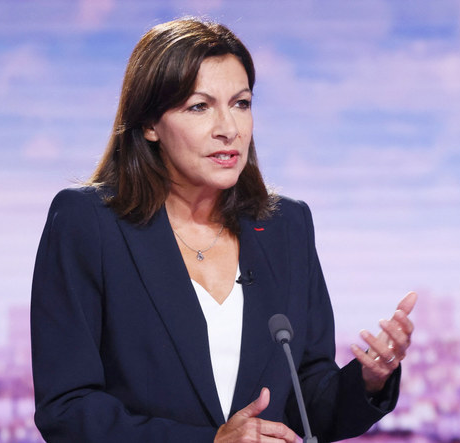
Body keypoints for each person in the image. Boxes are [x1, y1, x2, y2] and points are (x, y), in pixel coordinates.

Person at [30, 17, 417, 442]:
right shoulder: (89, 223)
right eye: (199, 106)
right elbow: (67, 410)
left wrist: (369, 380)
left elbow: (305, 404)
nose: (228, 129)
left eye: (241, 103)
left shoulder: (287, 226)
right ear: (149, 125)